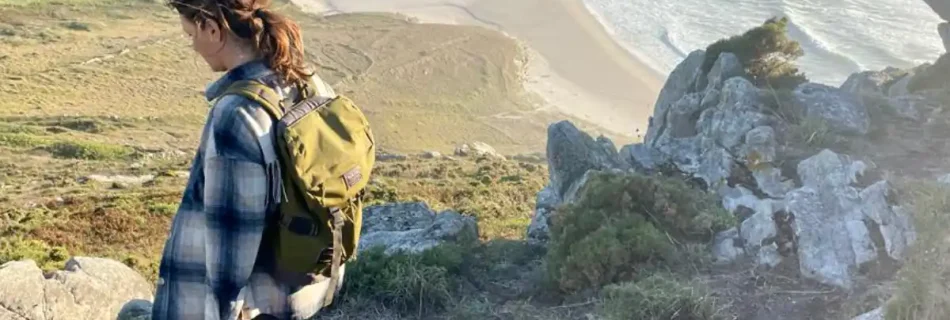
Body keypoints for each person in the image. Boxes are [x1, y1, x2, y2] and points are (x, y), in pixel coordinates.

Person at [150, 1, 345, 319]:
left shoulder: (237, 114)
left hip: (255, 308)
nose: (193, 46)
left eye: (190, 35)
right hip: (304, 294)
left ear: (211, 28)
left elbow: (230, 255)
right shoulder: (310, 83)